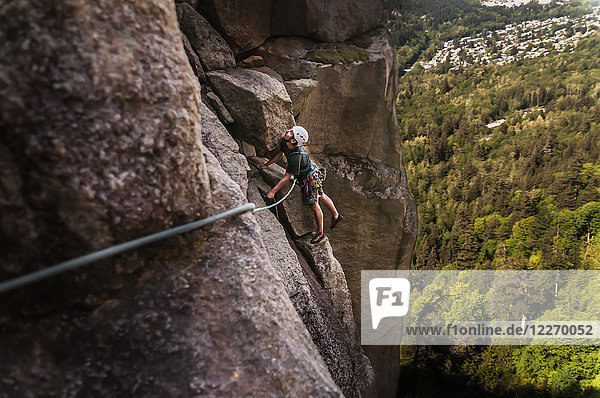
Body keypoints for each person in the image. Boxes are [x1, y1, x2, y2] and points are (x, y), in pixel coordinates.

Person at [258, 126, 343, 244]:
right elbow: (280, 153)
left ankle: (320, 233)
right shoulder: (286, 142)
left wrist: (272, 192)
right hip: (312, 172)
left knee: (314, 204)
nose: (287, 131)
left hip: (310, 179)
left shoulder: (296, 156)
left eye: (291, 132)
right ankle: (336, 215)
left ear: (293, 140)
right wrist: (267, 164)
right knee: (321, 194)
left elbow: (287, 177)